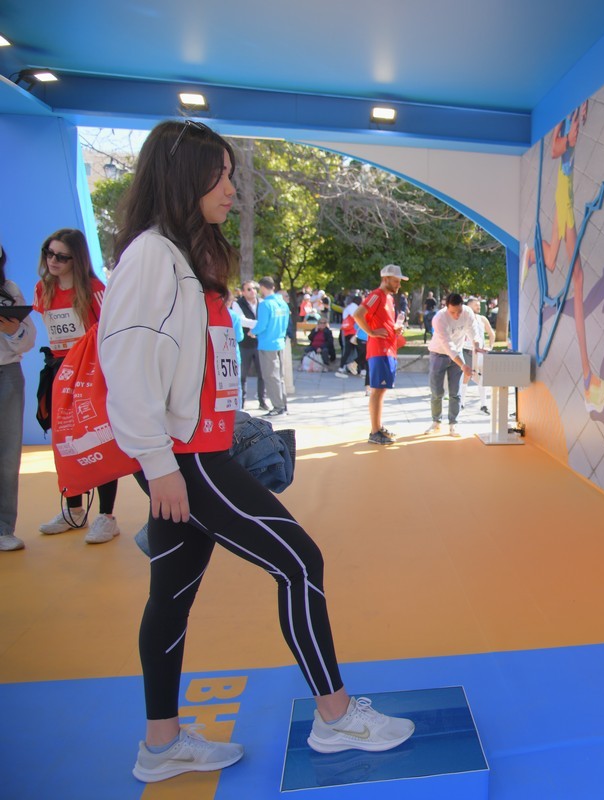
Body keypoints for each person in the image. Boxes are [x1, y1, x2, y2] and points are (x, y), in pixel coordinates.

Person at [98, 119, 414, 784]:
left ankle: (161, 744)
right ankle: (336, 717)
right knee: (300, 562)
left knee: (171, 596)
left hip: (200, 453)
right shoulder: (152, 257)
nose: (231, 190)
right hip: (188, 462)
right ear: (184, 178)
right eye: (220, 175)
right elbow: (124, 366)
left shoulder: (183, 257)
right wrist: (158, 465)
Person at [32, 229, 122, 544]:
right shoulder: (42, 289)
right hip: (60, 372)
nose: (53, 261)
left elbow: (111, 330)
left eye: (62, 256)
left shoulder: (96, 290)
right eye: (49, 253)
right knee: (65, 441)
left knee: (99, 440)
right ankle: (74, 510)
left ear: (77, 259)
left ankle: (106, 516)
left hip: (92, 374)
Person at [523, 101, 604, 413]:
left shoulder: (570, 120)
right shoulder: (564, 125)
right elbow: (555, 150)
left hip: (565, 195)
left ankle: (533, 255)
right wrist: (568, 138)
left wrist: (573, 128)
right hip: (565, 201)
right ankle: (587, 378)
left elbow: (559, 150)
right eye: (581, 108)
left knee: (551, 261)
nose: (583, 114)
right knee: (579, 279)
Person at [0, 238, 36, 551]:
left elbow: (28, 339)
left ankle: (3, 529)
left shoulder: (9, 291)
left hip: (7, 375)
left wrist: (13, 331)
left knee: (8, 457)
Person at [353, 265, 407, 445]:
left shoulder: (388, 298)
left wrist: (394, 329)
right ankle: (375, 431)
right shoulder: (376, 295)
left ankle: (378, 427)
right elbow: (358, 314)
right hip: (379, 350)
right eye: (396, 281)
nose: (399, 285)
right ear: (385, 279)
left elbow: (382, 321)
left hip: (388, 348)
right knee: (377, 389)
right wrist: (371, 332)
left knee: (381, 389)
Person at [425, 293, 477, 437]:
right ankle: (436, 421)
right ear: (446, 307)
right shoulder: (439, 318)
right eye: (452, 312)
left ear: (462, 306)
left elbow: (473, 331)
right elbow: (447, 345)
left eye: (459, 311)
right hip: (438, 353)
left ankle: (453, 423)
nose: (456, 315)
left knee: (456, 392)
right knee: (437, 392)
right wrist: (463, 365)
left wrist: (477, 344)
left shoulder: (467, 313)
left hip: (458, 352)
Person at [251, 276, 289, 416]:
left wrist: (252, 332)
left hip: (267, 344)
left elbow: (262, 325)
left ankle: (278, 407)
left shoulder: (265, 304)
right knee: (280, 377)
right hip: (279, 342)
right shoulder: (282, 303)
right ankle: (283, 404)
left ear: (262, 287)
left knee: (270, 376)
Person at [235, 281, 267, 410]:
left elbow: (266, 320)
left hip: (260, 343)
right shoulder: (238, 304)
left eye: (254, 288)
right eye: (248, 289)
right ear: (243, 292)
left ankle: (262, 401)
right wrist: (260, 325)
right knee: (242, 375)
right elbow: (242, 321)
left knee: (262, 374)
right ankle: (242, 402)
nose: (252, 291)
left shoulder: (262, 303)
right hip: (245, 344)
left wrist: (257, 327)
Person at [466, 297, 496, 415]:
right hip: (466, 350)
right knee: (465, 376)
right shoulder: (464, 318)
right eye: (475, 305)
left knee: (482, 377)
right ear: (469, 306)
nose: (478, 307)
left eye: (479, 305)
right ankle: (461, 403)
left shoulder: (482, 319)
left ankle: (483, 405)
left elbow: (491, 333)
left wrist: (490, 346)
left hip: (479, 352)